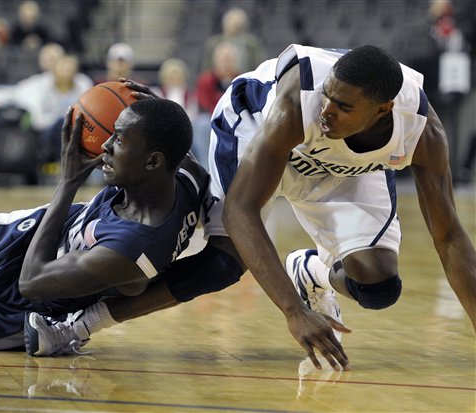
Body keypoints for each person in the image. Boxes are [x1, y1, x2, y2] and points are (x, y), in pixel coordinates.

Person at [25, 44, 475, 373]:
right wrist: (293, 313)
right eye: (330, 96)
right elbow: (241, 210)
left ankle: (313, 271)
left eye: (343, 106)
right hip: (256, 135)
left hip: (343, 168)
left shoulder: (422, 133)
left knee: (379, 287)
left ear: (384, 110)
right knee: (224, 261)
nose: (328, 111)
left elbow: (450, 238)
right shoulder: (302, 102)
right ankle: (80, 326)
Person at [0, 97, 212, 351]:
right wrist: (145, 101)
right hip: (10, 241)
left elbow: (31, 282)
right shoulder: (187, 176)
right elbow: (171, 132)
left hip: (8, 307)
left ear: (153, 162)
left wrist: (68, 184)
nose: (105, 146)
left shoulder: (129, 248)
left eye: (118, 139)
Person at [193, 41, 242, 170]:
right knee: (201, 123)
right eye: (223, 59)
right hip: (212, 120)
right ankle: (206, 169)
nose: (226, 63)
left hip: (236, 122)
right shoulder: (205, 80)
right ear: (215, 61)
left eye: (229, 59)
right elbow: (204, 104)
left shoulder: (242, 79)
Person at [201, 7, 266, 74]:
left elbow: (260, 65)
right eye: (231, 20)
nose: (235, 24)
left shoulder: (252, 44)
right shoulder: (213, 43)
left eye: (238, 22)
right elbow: (207, 68)